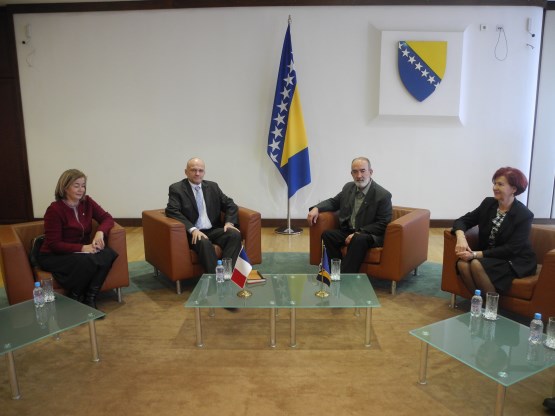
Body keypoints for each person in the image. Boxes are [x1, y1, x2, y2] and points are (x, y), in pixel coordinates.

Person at [38, 169, 118, 311]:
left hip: (80, 251)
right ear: (65, 187)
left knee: (108, 254)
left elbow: (107, 218)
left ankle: (90, 298)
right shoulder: (54, 210)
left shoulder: (87, 202)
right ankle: (74, 295)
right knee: (88, 261)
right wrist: (83, 248)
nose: (81, 189)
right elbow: (54, 244)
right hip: (53, 255)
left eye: (83, 185)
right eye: (76, 185)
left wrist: (100, 232)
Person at [452, 166, 536, 295]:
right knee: (462, 264)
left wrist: (475, 254)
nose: (495, 187)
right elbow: (462, 220)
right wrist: (461, 238)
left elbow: (512, 249)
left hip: (515, 259)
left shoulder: (524, 215)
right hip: (489, 255)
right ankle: (480, 305)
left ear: (514, 189)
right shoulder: (488, 204)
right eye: (495, 183)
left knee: (475, 264)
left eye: (500, 184)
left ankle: (492, 309)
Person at [307, 157, 392, 273]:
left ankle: (346, 277)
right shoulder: (348, 187)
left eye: (362, 171)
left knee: (358, 239)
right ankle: (335, 271)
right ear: (351, 174)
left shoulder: (383, 195)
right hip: (349, 231)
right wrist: (316, 208)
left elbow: (383, 223)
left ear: (370, 172)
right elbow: (334, 202)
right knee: (328, 235)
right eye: (355, 171)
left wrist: (360, 232)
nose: (359, 175)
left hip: (369, 235)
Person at [165, 157, 242, 275]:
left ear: (204, 172)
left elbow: (230, 204)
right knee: (203, 241)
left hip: (212, 229)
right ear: (186, 172)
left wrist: (229, 222)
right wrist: (192, 229)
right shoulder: (177, 189)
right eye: (193, 170)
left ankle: (227, 274)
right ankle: (215, 279)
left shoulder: (212, 187)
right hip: (193, 233)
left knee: (234, 234)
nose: (197, 173)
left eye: (200, 170)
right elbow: (172, 210)